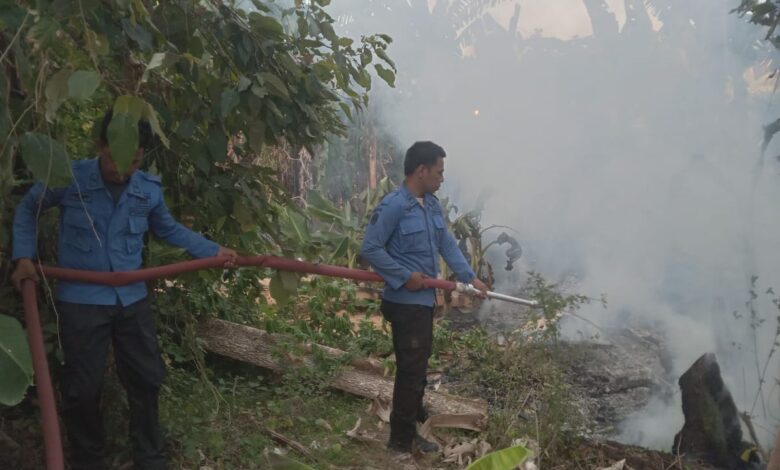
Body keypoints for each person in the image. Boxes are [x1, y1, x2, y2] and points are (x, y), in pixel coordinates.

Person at [10, 111, 237, 470]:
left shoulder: (147, 189)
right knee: (82, 390)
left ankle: (149, 458)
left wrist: (212, 250)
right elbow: (28, 209)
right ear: (100, 146)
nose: (122, 169)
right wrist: (22, 256)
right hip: (81, 301)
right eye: (115, 158)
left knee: (147, 379)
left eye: (132, 161)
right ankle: (88, 460)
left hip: (131, 300)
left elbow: (169, 229)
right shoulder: (69, 177)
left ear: (142, 156)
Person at [360, 141, 488, 454]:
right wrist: (405, 276)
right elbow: (370, 248)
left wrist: (469, 276)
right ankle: (400, 443)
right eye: (439, 171)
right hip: (404, 304)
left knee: (417, 370)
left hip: (423, 303)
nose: (442, 178)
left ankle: (412, 428)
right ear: (421, 170)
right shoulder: (393, 206)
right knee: (410, 372)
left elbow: (446, 244)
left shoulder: (431, 205)